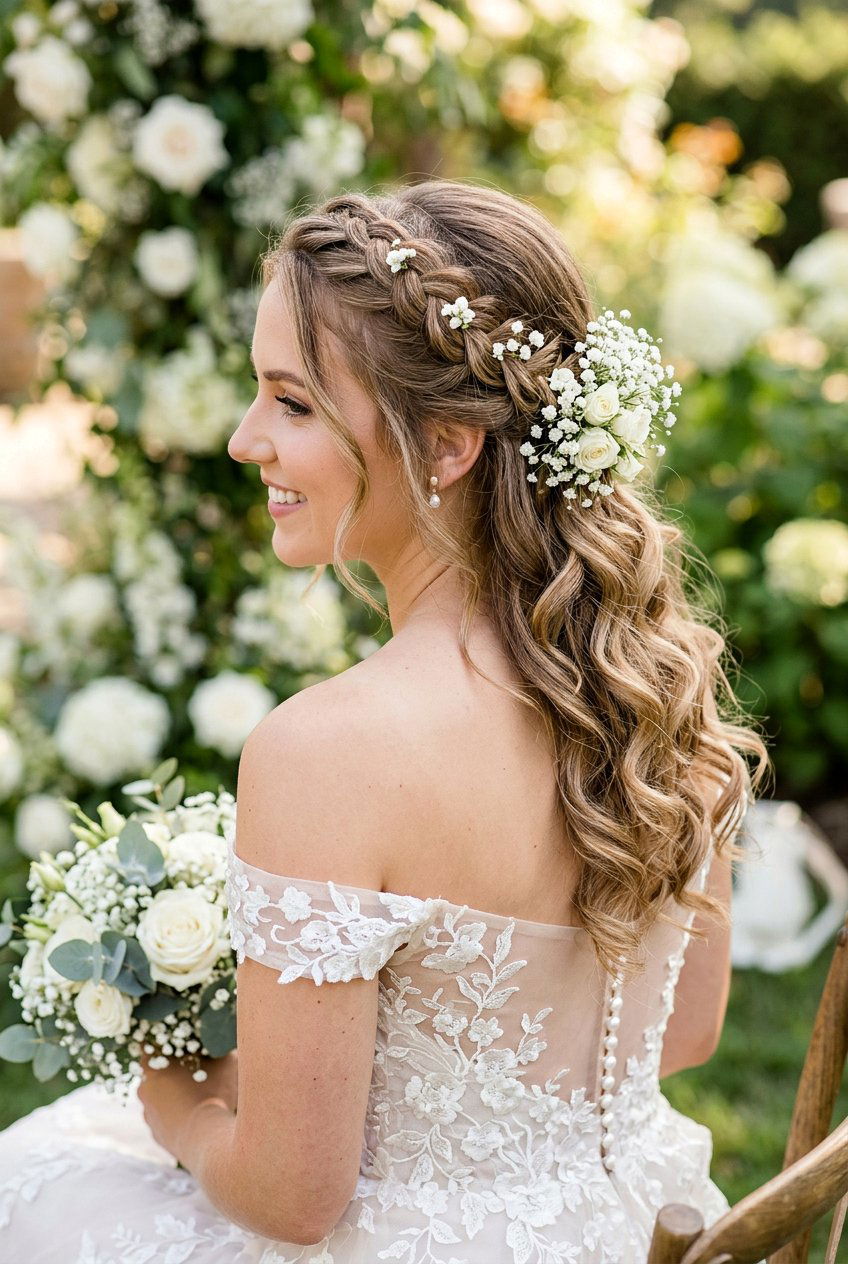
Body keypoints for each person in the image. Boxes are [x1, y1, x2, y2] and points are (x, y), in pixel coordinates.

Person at [0, 178, 766, 1262]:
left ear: (448, 445)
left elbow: (292, 1197)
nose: (242, 438)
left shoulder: (327, 752)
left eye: (293, 402)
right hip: (629, 1221)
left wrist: (180, 1106)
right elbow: (680, 1032)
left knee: (31, 1183)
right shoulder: (660, 684)